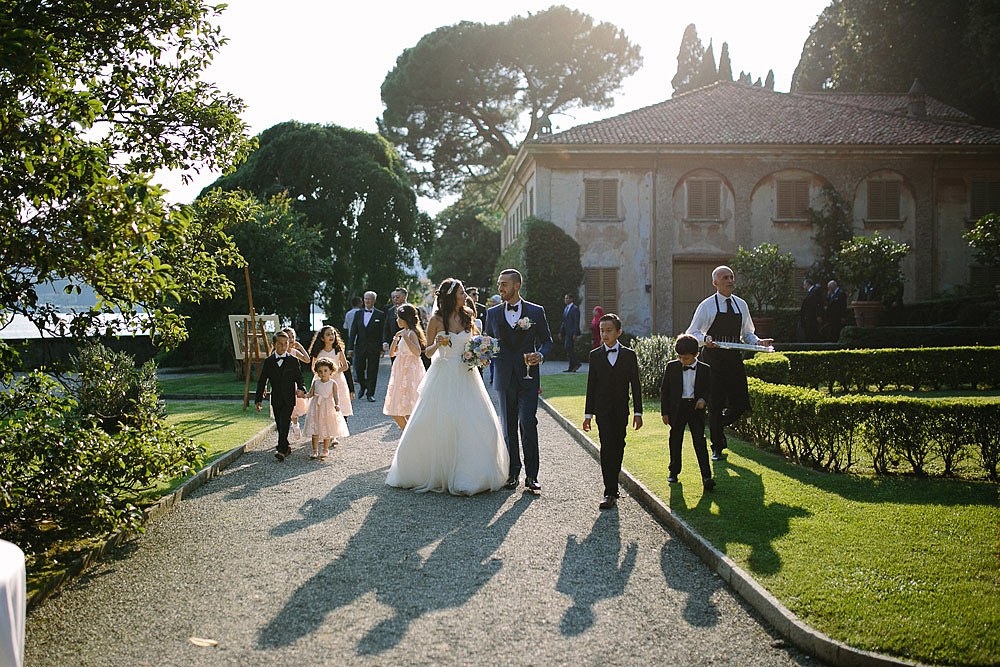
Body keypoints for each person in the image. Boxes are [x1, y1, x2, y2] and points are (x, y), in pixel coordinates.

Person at [385, 278, 509, 495]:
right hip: (444, 373)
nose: (465, 296)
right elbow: (428, 352)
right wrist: (438, 344)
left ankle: (470, 474)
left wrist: (482, 353)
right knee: (442, 423)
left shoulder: (468, 315)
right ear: (452, 296)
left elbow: (474, 341)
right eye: (461, 292)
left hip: (467, 374)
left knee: (480, 422)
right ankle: (433, 471)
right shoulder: (436, 319)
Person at [686, 265, 773, 461]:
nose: (729, 280)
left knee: (741, 404)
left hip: (734, 359)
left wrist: (758, 342)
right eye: (724, 278)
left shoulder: (741, 305)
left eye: (731, 277)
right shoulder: (706, 306)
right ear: (715, 283)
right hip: (712, 361)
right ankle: (717, 446)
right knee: (715, 404)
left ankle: (716, 424)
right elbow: (692, 332)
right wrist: (705, 339)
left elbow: (748, 333)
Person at [484, 268, 553, 493]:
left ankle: (532, 476)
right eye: (498, 284)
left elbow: (547, 341)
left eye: (504, 284)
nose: (500, 288)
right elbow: (487, 343)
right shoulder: (492, 314)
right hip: (504, 377)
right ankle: (513, 472)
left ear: (516, 286)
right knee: (508, 427)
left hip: (528, 377)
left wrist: (540, 355)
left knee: (528, 422)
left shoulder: (536, 311)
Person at [582, 313, 642, 509]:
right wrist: (588, 415)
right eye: (602, 331)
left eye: (609, 331)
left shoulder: (629, 355)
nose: (604, 335)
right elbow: (591, 386)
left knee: (619, 445)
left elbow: (636, 385)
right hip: (602, 410)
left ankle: (613, 483)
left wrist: (638, 413)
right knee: (607, 447)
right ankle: (609, 491)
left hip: (621, 409)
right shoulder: (595, 355)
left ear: (619, 332)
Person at [660, 334, 714, 491]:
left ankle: (706, 476)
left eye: (686, 358)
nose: (683, 361)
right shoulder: (672, 367)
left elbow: (709, 389)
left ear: (696, 355)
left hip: (695, 409)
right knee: (675, 440)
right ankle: (674, 471)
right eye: (680, 358)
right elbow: (665, 391)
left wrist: (703, 399)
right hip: (677, 408)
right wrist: (665, 412)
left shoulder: (705, 369)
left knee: (700, 441)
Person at [255, 331, 306, 461]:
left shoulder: (293, 361)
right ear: (274, 344)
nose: (283, 347)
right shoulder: (268, 361)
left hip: (289, 398)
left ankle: (281, 449)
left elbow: (299, 378)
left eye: (285, 344)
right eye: (280, 344)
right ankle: (286, 446)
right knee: (279, 423)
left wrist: (301, 389)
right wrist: (258, 399)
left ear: (288, 345)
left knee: (285, 421)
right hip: (276, 397)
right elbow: (262, 381)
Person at [383, 304, 426, 430]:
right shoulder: (403, 333)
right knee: (397, 406)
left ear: (405, 319)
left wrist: (406, 338)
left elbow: (417, 352)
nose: (397, 321)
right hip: (400, 368)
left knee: (409, 403)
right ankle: (408, 433)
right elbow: (391, 353)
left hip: (410, 369)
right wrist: (396, 338)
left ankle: (410, 433)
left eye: (398, 318)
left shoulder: (411, 333)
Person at [302, 358, 349, 460]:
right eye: (320, 371)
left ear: (331, 371)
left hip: (327, 407)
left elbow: (336, 396)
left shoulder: (333, 383)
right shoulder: (316, 383)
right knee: (315, 428)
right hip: (316, 407)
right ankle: (315, 450)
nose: (323, 373)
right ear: (317, 372)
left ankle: (325, 449)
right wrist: (305, 395)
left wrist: (337, 405)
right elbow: (311, 393)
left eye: (325, 371)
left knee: (327, 427)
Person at [347, 290, 384, 402]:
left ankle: (370, 393)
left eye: (370, 299)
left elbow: (382, 333)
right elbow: (353, 331)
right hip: (360, 346)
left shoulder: (380, 314)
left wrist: (382, 348)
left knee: (372, 370)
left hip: (374, 347)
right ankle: (363, 387)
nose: (367, 301)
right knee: (358, 369)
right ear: (363, 300)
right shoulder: (358, 314)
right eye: (366, 299)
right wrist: (350, 348)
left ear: (374, 301)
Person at [309, 325, 353, 420]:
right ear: (322, 338)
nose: (331, 336)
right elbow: (313, 368)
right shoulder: (319, 352)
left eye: (333, 334)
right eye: (328, 335)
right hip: (322, 380)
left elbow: (345, 365)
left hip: (337, 380)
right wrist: (321, 374)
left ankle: (341, 423)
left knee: (339, 401)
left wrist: (335, 371)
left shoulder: (338, 351)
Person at [280, 326, 311, 439]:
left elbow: (307, 360)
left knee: (294, 408)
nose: (292, 339)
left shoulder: (294, 352)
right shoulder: (279, 352)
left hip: (293, 384)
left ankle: (295, 424)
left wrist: (301, 347)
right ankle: (283, 436)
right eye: (289, 337)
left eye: (293, 336)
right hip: (280, 384)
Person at [382, 287, 407, 361]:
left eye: (397, 297)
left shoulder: (413, 309)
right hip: (394, 344)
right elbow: (386, 328)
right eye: (394, 297)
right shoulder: (390, 311)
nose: (395, 299)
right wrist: (385, 341)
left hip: (409, 344)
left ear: (404, 297)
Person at [560, 293, 582, 372]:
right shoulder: (566, 309)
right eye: (565, 298)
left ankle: (577, 363)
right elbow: (564, 322)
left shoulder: (575, 309)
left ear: (571, 299)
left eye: (567, 298)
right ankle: (571, 367)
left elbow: (576, 322)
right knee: (569, 349)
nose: (565, 300)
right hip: (566, 332)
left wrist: (575, 333)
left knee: (568, 347)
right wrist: (561, 332)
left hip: (572, 332)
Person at [799, 277, 823, 343]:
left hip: (813, 316)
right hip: (808, 317)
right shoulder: (810, 292)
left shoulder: (815, 291)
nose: (804, 287)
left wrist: (819, 315)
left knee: (813, 332)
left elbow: (819, 304)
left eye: (804, 285)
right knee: (808, 332)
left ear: (807, 284)